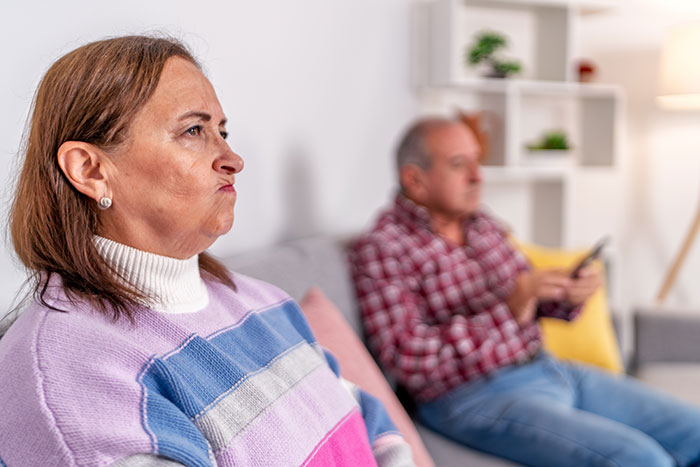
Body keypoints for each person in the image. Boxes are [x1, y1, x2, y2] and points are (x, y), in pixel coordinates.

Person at [0, 35, 414, 467]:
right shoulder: (70, 376)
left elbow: (369, 422)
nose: (232, 157)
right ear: (90, 170)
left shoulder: (265, 303)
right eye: (193, 130)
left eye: (223, 130)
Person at [348, 116, 700, 467]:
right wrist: (508, 311)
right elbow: (409, 359)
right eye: (459, 165)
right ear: (415, 179)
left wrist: (564, 295)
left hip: (548, 368)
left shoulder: (482, 224)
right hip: (472, 396)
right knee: (641, 460)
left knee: (695, 431)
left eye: (477, 162)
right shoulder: (383, 248)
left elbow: (529, 299)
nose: (477, 176)